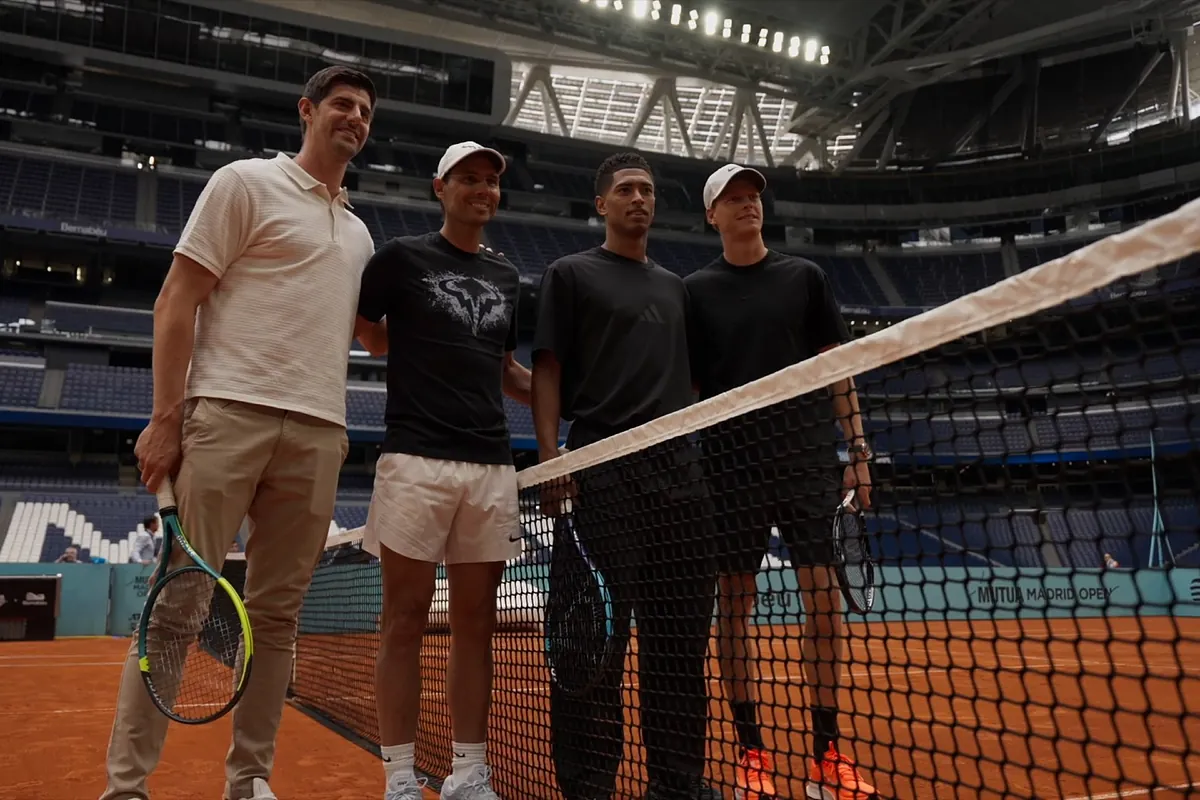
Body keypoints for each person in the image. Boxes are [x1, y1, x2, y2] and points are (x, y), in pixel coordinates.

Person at [100, 66, 383, 800]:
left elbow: (372, 336)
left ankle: (248, 780)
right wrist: (168, 417)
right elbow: (175, 300)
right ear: (307, 111)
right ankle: (126, 787)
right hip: (226, 413)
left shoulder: (358, 233)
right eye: (341, 104)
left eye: (364, 110)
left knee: (279, 620)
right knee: (179, 607)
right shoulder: (243, 184)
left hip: (321, 430)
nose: (354, 116)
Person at [531, 152, 720, 800]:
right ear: (601, 205)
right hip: (600, 473)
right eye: (625, 190)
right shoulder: (570, 274)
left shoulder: (676, 286)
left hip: (679, 475)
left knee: (679, 643)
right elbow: (548, 368)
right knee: (593, 642)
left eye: (646, 190)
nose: (639, 198)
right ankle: (589, 785)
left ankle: (677, 780)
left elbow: (690, 377)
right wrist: (552, 455)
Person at [684, 163, 876, 800]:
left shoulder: (805, 278)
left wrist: (859, 448)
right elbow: (686, 388)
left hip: (805, 461)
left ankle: (827, 752)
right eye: (732, 200)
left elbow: (837, 368)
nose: (747, 206)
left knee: (822, 601)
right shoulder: (693, 292)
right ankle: (752, 752)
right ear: (711, 215)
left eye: (753, 197)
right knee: (734, 607)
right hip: (727, 466)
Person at [356, 141, 531, 800]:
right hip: (415, 458)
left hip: (490, 464)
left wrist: (571, 408)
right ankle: (400, 776)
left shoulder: (509, 276)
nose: (481, 189)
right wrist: (392, 345)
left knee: (475, 627)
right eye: (468, 179)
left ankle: (468, 772)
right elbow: (365, 325)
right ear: (441, 188)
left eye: (490, 181)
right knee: (402, 620)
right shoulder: (401, 257)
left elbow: (506, 368)